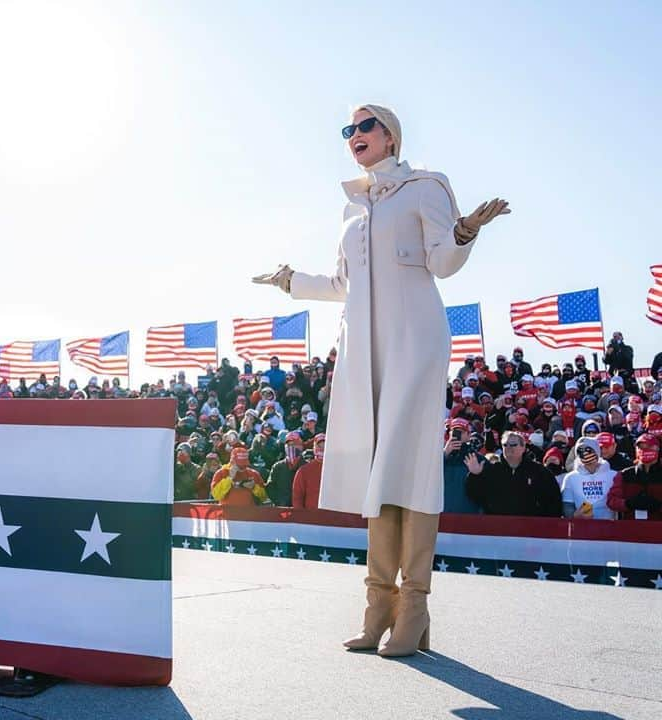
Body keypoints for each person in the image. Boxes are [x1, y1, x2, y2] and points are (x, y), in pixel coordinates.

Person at [252, 103, 509, 657]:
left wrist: (465, 230)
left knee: (411, 468)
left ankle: (412, 608)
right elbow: (344, 282)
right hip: (363, 347)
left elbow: (441, 263)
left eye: (365, 126)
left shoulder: (426, 186)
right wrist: (291, 280)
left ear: (391, 135)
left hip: (415, 339)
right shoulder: (352, 207)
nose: (354, 136)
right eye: (348, 130)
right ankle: (378, 610)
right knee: (379, 474)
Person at [465, 430, 562, 517]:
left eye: (513, 445)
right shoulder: (492, 470)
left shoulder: (539, 471)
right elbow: (475, 496)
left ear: (523, 447)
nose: (508, 448)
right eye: (505, 445)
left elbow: (553, 502)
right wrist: (475, 475)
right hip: (497, 529)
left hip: (531, 531)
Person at [560, 437, 617, 520]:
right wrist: (575, 515)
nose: (585, 454)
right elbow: (567, 506)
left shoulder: (613, 475)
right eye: (581, 451)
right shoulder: (570, 478)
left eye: (589, 450)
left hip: (608, 529)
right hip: (582, 529)